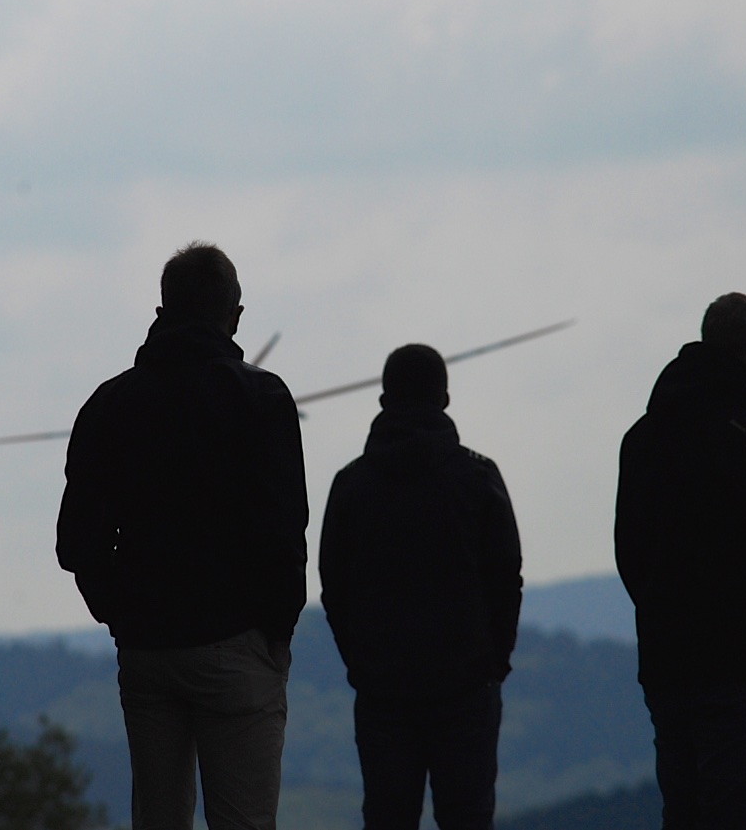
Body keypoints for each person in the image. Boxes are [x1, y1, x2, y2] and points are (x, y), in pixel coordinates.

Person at [56, 242, 309, 830]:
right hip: (237, 643)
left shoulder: (109, 404)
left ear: (162, 310)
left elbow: (77, 541)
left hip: (147, 649)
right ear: (234, 316)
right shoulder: (262, 398)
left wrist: (120, 614)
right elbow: (284, 530)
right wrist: (275, 632)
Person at [615, 293, 746, 830]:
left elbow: (630, 552)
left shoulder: (642, 439)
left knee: (681, 812)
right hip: (743, 665)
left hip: (667, 662)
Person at [319, 343, 523, 830]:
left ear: (383, 400)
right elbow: (506, 580)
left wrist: (362, 665)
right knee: (468, 817)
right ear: (444, 399)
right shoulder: (478, 478)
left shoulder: (351, 485)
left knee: (387, 817)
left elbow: (334, 589)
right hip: (467, 686)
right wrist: (492, 664)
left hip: (382, 691)